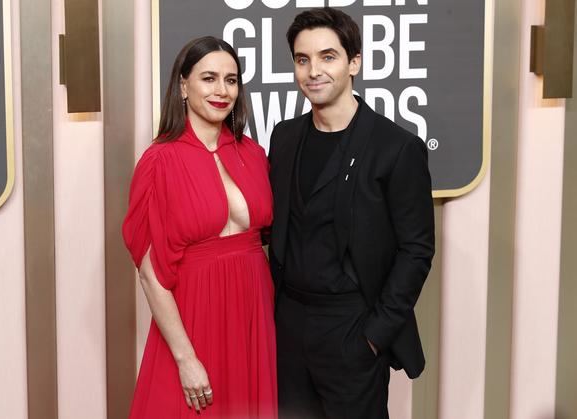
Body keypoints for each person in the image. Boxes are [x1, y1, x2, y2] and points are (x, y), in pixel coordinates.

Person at [268, 8, 435, 419]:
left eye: (328, 57)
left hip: (352, 327)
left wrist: (374, 336)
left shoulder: (396, 147)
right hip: (288, 326)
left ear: (353, 62)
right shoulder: (284, 137)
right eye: (302, 59)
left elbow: (416, 250)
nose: (313, 71)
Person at [122, 36, 277, 419]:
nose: (221, 91)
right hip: (192, 318)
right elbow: (149, 273)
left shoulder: (254, 155)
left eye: (231, 80)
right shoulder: (159, 161)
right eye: (209, 78)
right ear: (183, 86)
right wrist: (185, 357)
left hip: (251, 315)